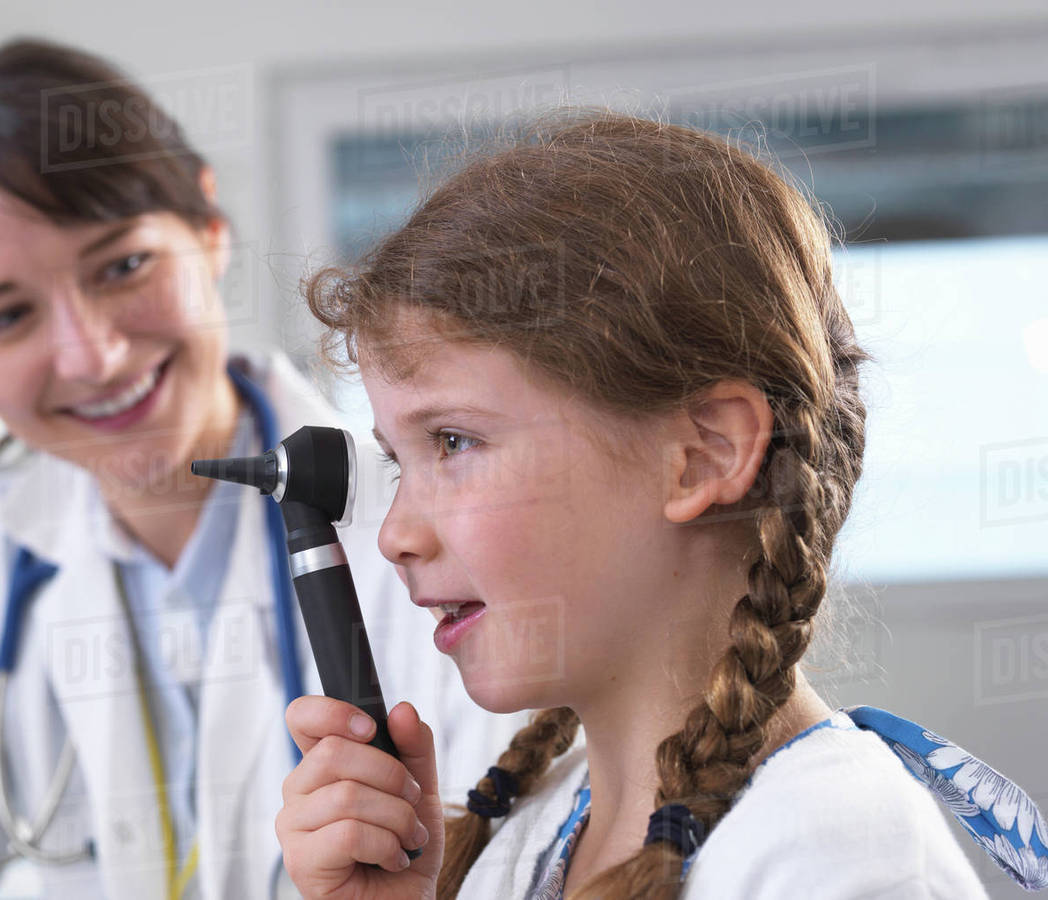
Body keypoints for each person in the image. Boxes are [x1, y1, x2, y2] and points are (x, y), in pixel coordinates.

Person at [275, 112, 1048, 898]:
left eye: (453, 442)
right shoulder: (524, 835)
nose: (396, 536)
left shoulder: (843, 856)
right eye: (395, 459)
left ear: (704, 455)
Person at [0, 39, 524, 899]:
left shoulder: (419, 526)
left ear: (208, 227)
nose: (91, 354)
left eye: (124, 266)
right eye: (8, 315)